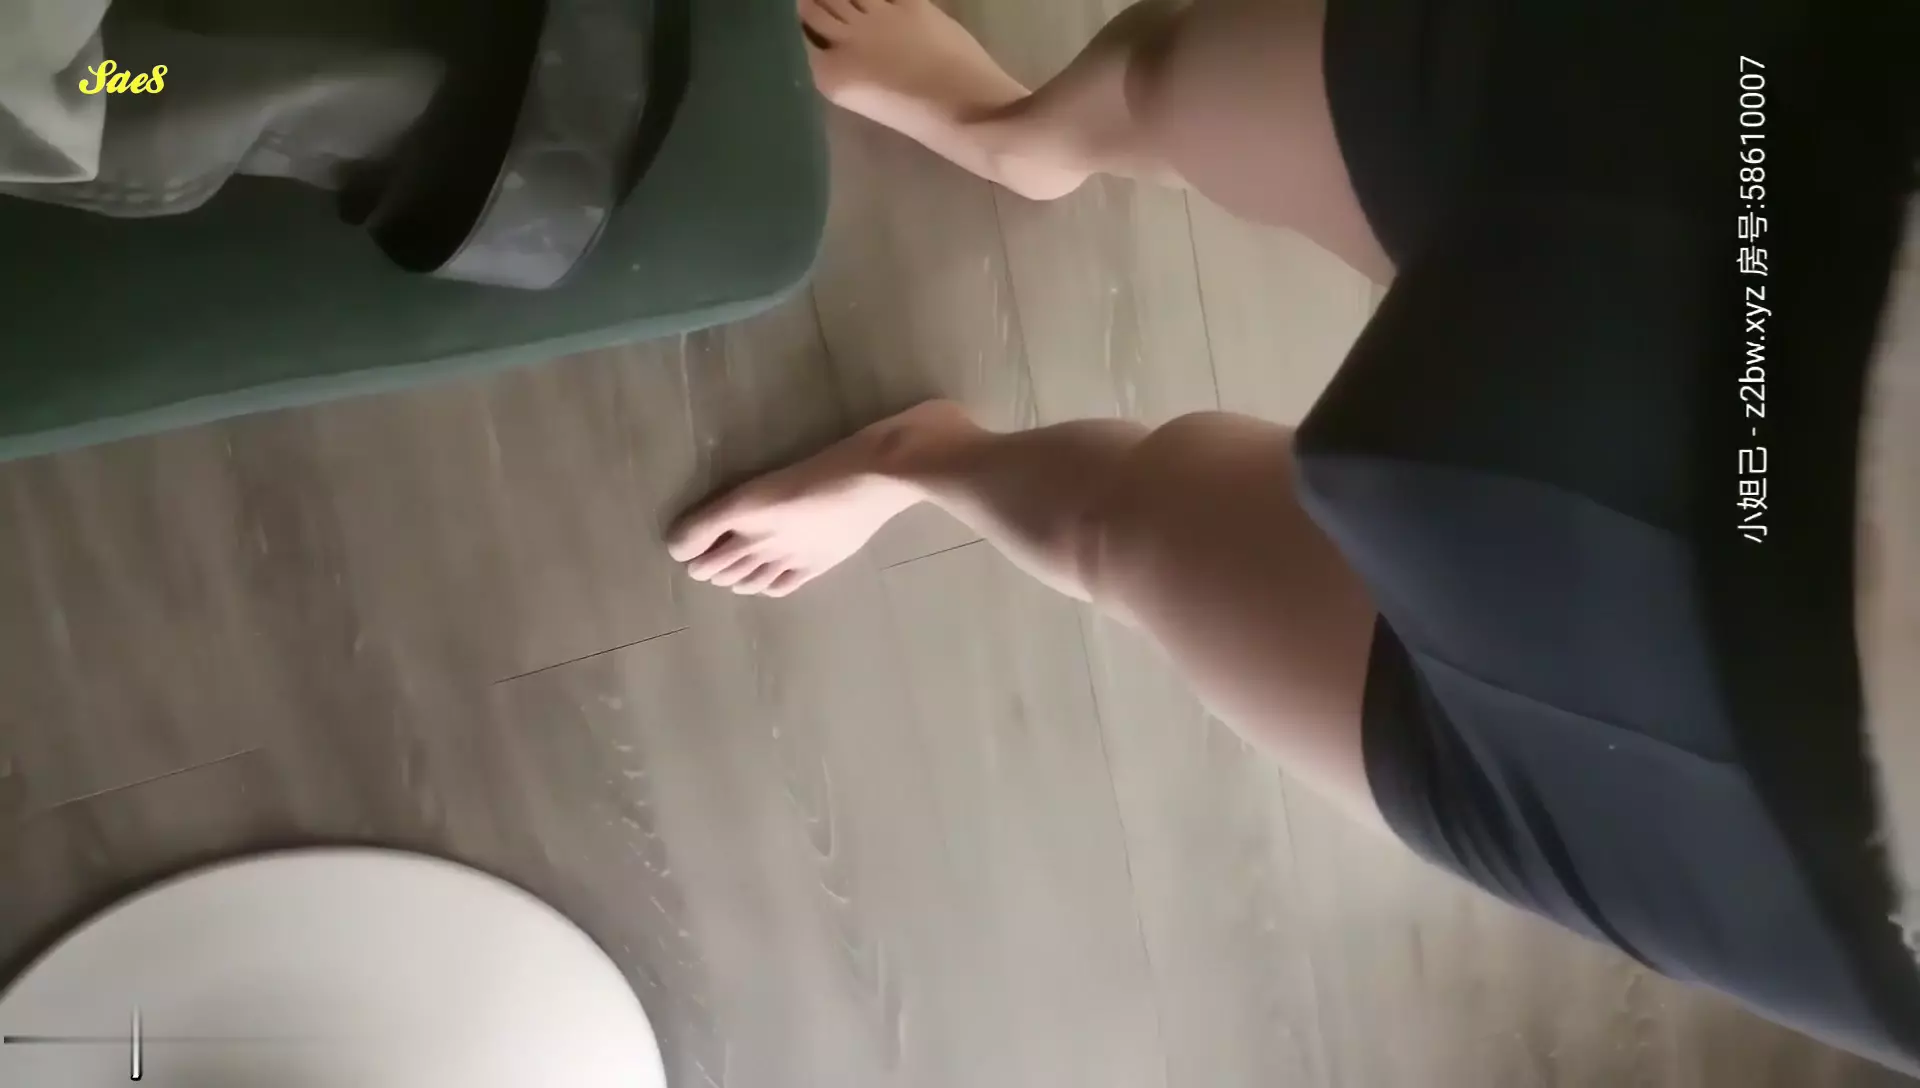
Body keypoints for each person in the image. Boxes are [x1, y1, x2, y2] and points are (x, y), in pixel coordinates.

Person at [666, 0, 1920, 1071]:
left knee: (1137, 536)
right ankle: (1019, 136)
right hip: (1835, 145)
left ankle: (927, 458)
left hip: (1797, 823)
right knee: (1179, 77)